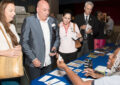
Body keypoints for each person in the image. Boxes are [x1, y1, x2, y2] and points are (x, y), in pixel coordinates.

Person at [20, 0, 59, 81]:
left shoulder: (52, 21)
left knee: (47, 82)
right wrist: (33, 59)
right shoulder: (29, 21)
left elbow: (57, 38)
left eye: (48, 10)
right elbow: (24, 42)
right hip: (35, 63)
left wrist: (55, 46)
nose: (47, 12)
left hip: (49, 62)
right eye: (44, 10)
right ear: (37, 9)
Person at [0, 0, 22, 85]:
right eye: (11, 11)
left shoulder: (12, 26)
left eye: (14, 11)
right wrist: (5, 52)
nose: (14, 13)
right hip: (4, 68)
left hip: (15, 66)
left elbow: (17, 42)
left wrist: (19, 47)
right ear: (2, 10)